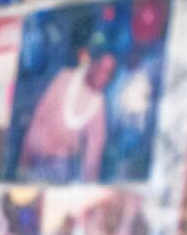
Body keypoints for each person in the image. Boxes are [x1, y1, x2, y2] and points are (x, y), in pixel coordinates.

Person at [19, 49, 116, 182]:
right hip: (37, 157)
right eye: (101, 68)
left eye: (108, 74)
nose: (103, 76)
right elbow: (39, 115)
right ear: (93, 64)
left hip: (61, 168)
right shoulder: (65, 77)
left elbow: (94, 152)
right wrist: (24, 158)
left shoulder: (98, 105)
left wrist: (90, 184)